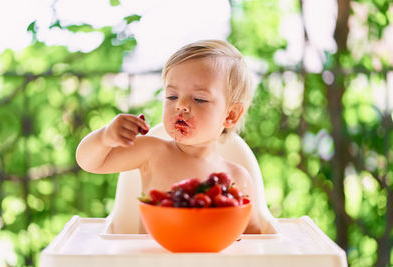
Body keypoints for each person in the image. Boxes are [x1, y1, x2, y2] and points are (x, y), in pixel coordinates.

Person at [76, 39, 277, 234]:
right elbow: (90, 163)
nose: (180, 105)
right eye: (172, 96)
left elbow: (253, 237)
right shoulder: (152, 152)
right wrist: (104, 137)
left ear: (230, 115)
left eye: (199, 99)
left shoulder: (237, 178)